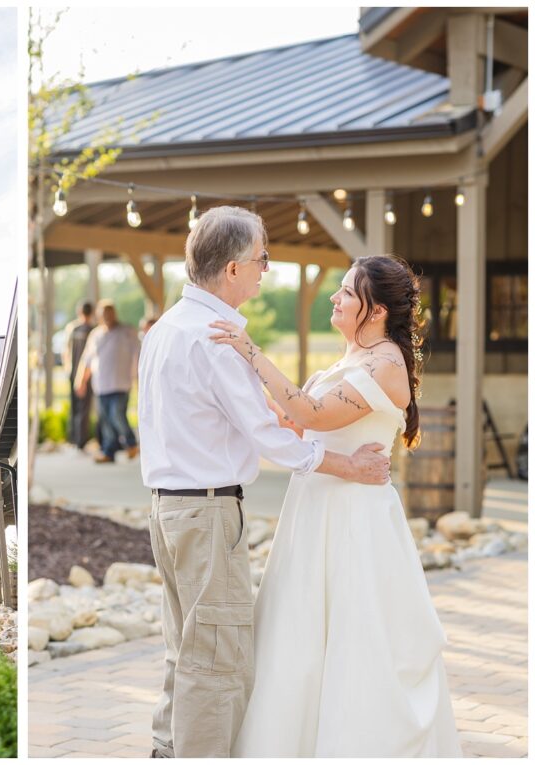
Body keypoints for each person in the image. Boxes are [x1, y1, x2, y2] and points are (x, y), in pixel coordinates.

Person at [137, 206, 391, 758]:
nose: (265, 270)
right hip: (206, 514)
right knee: (217, 658)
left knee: (185, 649)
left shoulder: (164, 329)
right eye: (261, 259)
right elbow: (269, 438)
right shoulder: (215, 337)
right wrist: (348, 466)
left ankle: (166, 750)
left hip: (166, 509)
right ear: (231, 269)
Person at [210, 255, 461, 756]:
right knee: (299, 632)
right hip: (316, 510)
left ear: (376, 311)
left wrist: (251, 352)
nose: (335, 297)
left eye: (347, 291)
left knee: (353, 637)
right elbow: (292, 420)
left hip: (353, 521)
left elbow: (312, 413)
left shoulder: (384, 364)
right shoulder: (350, 360)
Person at [75, 300, 141, 463]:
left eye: (110, 313)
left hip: (121, 383)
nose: (107, 317)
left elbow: (139, 356)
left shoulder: (127, 332)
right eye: (104, 314)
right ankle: (108, 452)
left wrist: (139, 379)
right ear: (99, 316)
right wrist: (81, 380)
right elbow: (87, 360)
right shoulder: (96, 335)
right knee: (105, 421)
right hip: (101, 385)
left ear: (115, 313)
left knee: (116, 415)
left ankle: (131, 442)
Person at [62, 300, 96, 450]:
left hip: (74, 372)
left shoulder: (72, 328)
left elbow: (65, 351)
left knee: (75, 406)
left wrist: (68, 370)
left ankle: (74, 438)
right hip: (88, 374)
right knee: (84, 407)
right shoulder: (93, 330)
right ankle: (81, 440)